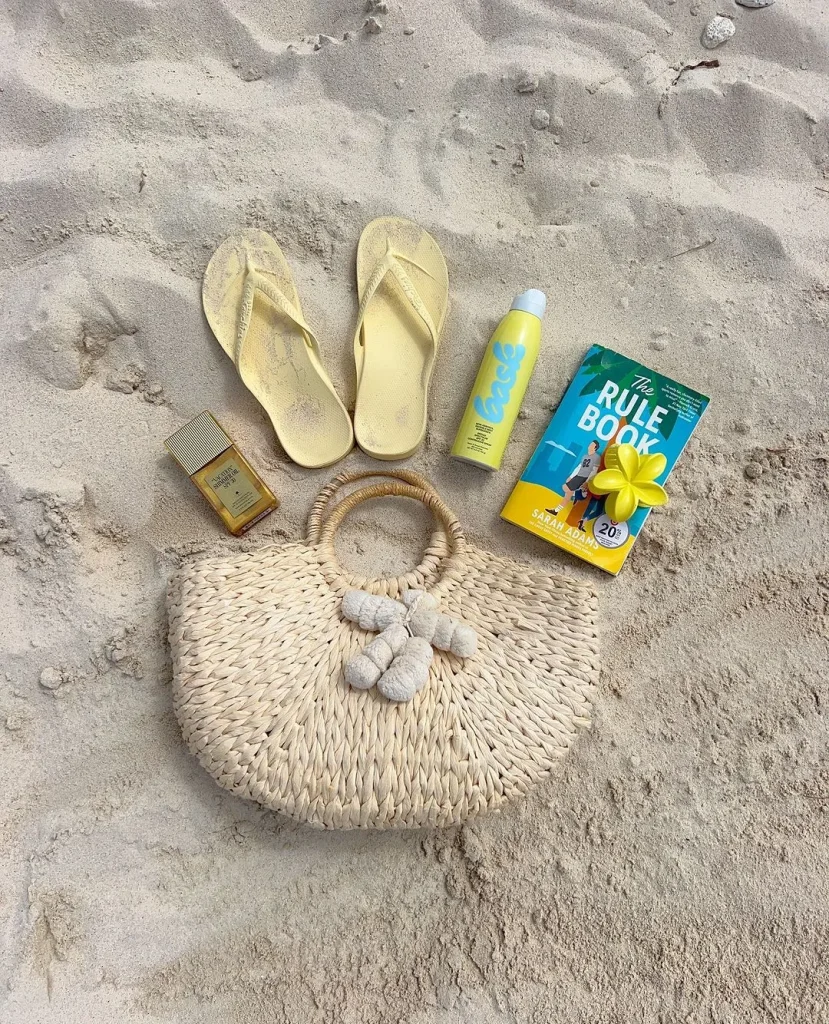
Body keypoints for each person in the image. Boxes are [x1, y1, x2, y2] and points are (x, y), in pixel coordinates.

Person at [546, 440, 601, 516]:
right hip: (578, 476)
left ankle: (576, 494)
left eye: (592, 445)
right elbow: (579, 467)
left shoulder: (597, 457)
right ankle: (556, 511)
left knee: (565, 488)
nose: (589, 445)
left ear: (595, 448)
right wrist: (571, 477)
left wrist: (587, 482)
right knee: (567, 496)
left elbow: (594, 471)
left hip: (583, 477)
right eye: (590, 444)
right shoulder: (585, 456)